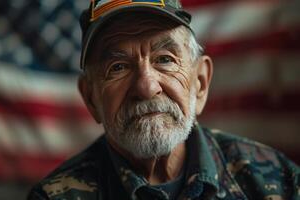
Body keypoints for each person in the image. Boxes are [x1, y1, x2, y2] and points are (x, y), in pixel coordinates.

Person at [28, 0, 300, 199]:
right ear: (91, 98)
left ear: (200, 83)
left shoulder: (278, 179)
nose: (146, 87)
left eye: (165, 60)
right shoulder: (54, 197)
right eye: (118, 67)